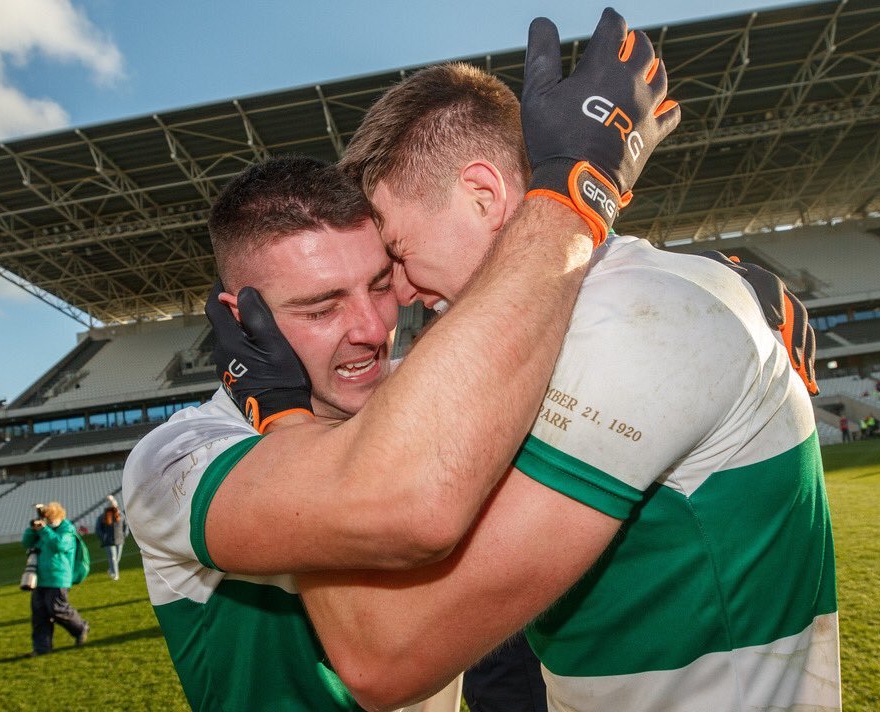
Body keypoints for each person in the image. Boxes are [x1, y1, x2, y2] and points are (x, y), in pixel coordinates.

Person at [236, 12, 837, 711]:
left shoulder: (632, 324)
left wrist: (288, 420)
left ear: (485, 196)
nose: (397, 294)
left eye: (397, 253)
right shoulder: (605, 316)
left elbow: (382, 654)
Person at [123, 10, 681, 711]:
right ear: (242, 323)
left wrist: (724, 301)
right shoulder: (178, 458)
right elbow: (376, 505)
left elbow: (557, 339)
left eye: (382, 282)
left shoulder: (428, 387)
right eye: (322, 307)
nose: (372, 327)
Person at [21, 502, 90, 656]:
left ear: (58, 516)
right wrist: (32, 530)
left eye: (50, 518)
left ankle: (80, 627)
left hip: (58, 577)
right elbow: (26, 542)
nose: (48, 521)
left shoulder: (67, 529)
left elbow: (59, 545)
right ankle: (42, 648)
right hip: (40, 578)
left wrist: (44, 530)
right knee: (39, 614)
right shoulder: (45, 530)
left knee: (57, 609)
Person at [95, 495, 126, 580]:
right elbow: (98, 529)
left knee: (117, 558)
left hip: (119, 540)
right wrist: (103, 537)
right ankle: (115, 575)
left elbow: (125, 525)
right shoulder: (103, 517)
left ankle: (111, 569)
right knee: (112, 557)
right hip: (108, 541)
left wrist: (124, 534)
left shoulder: (120, 515)